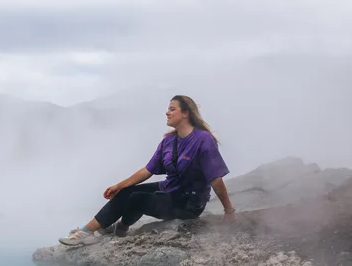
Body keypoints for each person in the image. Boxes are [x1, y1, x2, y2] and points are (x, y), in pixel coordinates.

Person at [59, 95, 236, 247]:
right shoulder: (169, 141)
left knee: (137, 199)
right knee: (126, 192)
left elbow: (215, 179)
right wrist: (119, 185)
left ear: (185, 113)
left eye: (172, 109)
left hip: (188, 203)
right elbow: (147, 170)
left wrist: (229, 211)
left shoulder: (203, 139)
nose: (167, 112)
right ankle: (88, 230)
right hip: (169, 190)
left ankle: (118, 228)